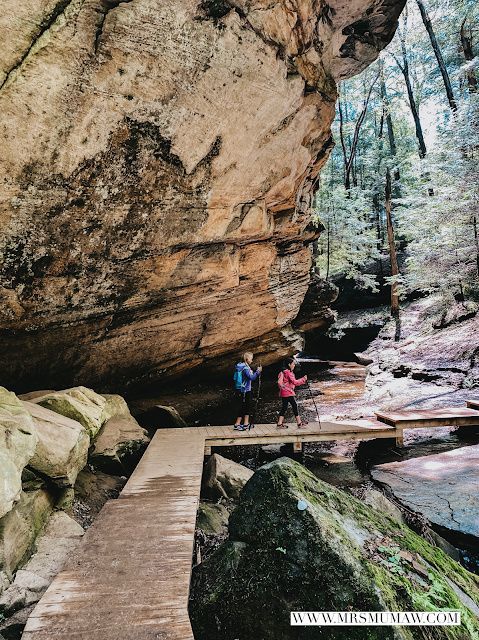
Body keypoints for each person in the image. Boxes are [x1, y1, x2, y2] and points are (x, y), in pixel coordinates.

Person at [233, 352, 262, 431]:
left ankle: (246, 423)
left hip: (246, 390)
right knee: (243, 407)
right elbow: (251, 377)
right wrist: (258, 372)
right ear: (246, 359)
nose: (252, 360)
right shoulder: (245, 368)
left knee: (247, 406)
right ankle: (237, 424)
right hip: (244, 390)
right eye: (251, 359)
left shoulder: (242, 366)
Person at [277, 357, 307, 428]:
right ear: (289, 364)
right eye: (293, 364)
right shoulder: (288, 372)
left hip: (283, 392)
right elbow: (295, 382)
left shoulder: (283, 372)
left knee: (284, 407)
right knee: (294, 406)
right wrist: (303, 379)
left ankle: (279, 423)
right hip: (288, 392)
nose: (294, 365)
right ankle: (299, 423)